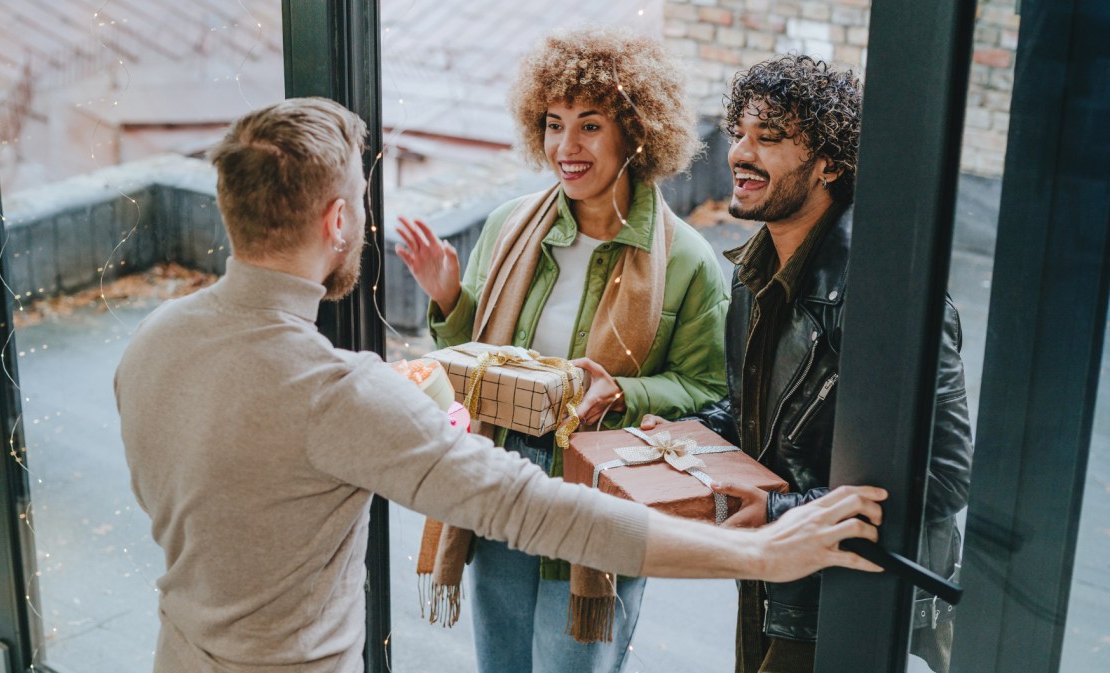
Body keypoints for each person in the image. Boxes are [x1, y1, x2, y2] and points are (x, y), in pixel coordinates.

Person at [114, 96, 888, 673]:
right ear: (339, 223)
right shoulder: (340, 394)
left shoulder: (152, 340)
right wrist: (759, 555)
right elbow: (539, 510)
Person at [395, 27, 725, 673]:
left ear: (636, 131)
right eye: (553, 124)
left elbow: (707, 390)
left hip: (601, 493)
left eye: (590, 126)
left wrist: (625, 392)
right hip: (503, 484)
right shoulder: (509, 226)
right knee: (503, 663)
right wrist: (448, 300)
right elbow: (480, 369)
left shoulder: (687, 260)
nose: (565, 147)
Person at [644, 55, 974, 673]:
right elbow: (761, 414)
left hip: (853, 597)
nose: (739, 153)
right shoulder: (752, 270)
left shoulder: (888, 297)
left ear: (831, 163)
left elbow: (946, 476)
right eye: (738, 131)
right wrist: (691, 435)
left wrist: (781, 510)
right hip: (776, 577)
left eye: (768, 139)